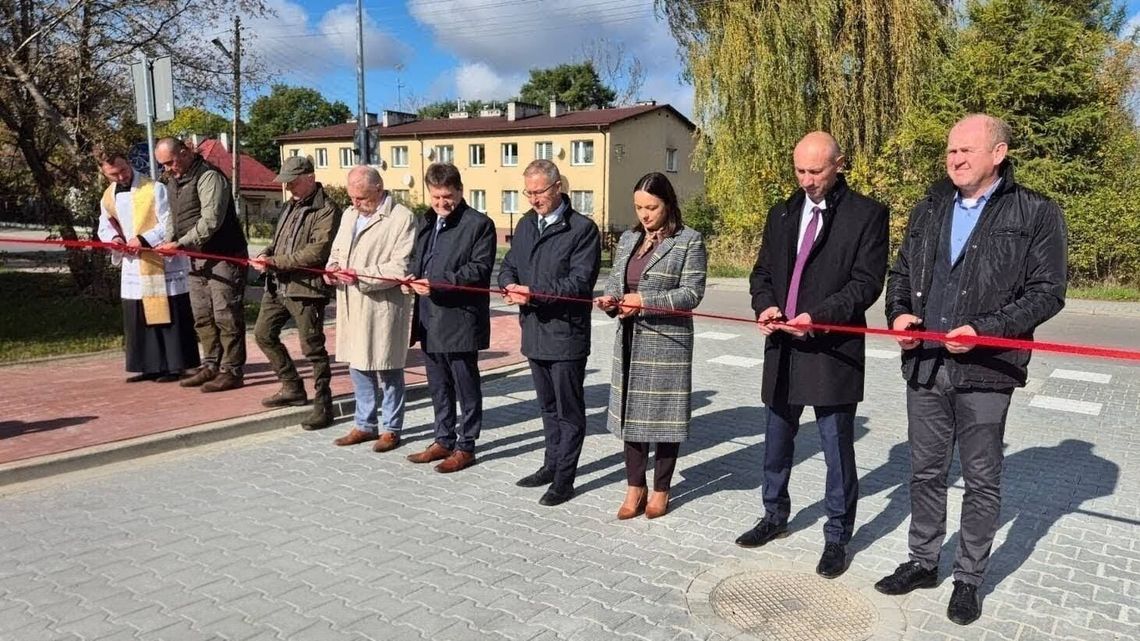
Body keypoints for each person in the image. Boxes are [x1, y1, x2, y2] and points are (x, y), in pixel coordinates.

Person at [876, 114, 1067, 625]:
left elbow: (1048, 292)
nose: (955, 159)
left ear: (998, 154)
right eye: (950, 151)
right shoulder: (929, 207)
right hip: (925, 365)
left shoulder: (1034, 212)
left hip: (986, 370)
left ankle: (969, 579)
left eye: (966, 150)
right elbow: (900, 273)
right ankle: (922, 560)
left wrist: (985, 329)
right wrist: (897, 313)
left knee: (982, 479)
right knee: (925, 470)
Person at [735, 132, 889, 580]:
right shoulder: (782, 212)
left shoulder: (867, 214)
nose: (806, 181)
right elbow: (761, 271)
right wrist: (763, 304)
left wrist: (817, 316)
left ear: (839, 164)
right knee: (777, 440)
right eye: (800, 170)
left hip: (830, 348)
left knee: (836, 447)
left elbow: (865, 283)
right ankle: (773, 514)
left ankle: (838, 536)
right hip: (782, 345)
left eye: (816, 171)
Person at [593, 172, 707, 520]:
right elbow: (616, 281)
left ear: (668, 204)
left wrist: (644, 299)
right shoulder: (628, 239)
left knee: (664, 421)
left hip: (667, 345)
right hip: (629, 341)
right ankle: (634, 486)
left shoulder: (689, 241)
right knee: (631, 418)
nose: (644, 214)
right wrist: (611, 301)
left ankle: (661, 488)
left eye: (651, 207)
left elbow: (691, 294)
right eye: (639, 207)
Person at [499, 159, 601, 506]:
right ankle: (550, 464)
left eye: (539, 191)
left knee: (568, 410)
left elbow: (578, 283)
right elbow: (509, 264)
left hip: (566, 334)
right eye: (527, 192)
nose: (532, 199)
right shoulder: (527, 224)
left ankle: (564, 479)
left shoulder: (583, 229)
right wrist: (509, 284)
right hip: (534, 331)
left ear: (558, 187)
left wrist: (533, 291)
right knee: (546, 407)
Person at [404, 163, 497, 473]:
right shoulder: (427, 221)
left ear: (460, 190)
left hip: (459, 319)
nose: (442, 203)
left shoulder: (479, 224)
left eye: (448, 196)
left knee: (464, 385)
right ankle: (443, 438)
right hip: (429, 318)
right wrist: (412, 278)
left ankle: (466, 445)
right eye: (436, 197)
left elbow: (478, 270)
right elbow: (419, 260)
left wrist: (437, 281)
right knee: (438, 385)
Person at [327, 166, 415, 453]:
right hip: (351, 304)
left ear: (378, 189)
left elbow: (400, 266)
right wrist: (332, 269)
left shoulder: (402, 218)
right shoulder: (349, 214)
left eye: (362, 198)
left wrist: (360, 275)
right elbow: (337, 251)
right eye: (352, 198)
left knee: (387, 366)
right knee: (357, 365)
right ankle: (364, 424)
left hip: (382, 305)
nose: (355, 203)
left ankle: (391, 428)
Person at [250, 156, 342, 430]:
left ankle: (323, 405)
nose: (288, 187)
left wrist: (275, 262)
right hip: (278, 284)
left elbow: (317, 252)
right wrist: (267, 252)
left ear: (310, 178)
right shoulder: (291, 205)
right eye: (286, 181)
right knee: (263, 334)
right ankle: (292, 387)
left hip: (306, 289)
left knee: (312, 348)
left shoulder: (326, 209)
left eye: (293, 181)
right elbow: (280, 241)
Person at [94, 145, 200, 382]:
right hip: (133, 264)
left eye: (123, 169)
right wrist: (115, 239)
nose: (121, 176)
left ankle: (175, 365)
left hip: (159, 260)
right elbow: (105, 225)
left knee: (168, 311)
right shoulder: (108, 196)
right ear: (104, 174)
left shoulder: (154, 189)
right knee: (138, 313)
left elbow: (168, 223)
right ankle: (150, 365)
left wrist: (142, 239)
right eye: (114, 174)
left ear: (128, 162)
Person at [153, 137, 249, 393]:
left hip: (224, 255)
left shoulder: (209, 177)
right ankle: (210, 364)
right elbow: (174, 216)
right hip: (195, 256)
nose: (167, 169)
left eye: (170, 162)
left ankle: (232, 370)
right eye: (162, 165)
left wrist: (181, 244)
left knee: (225, 315)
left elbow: (211, 220)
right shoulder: (172, 180)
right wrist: (171, 241)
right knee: (202, 315)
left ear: (184, 153)